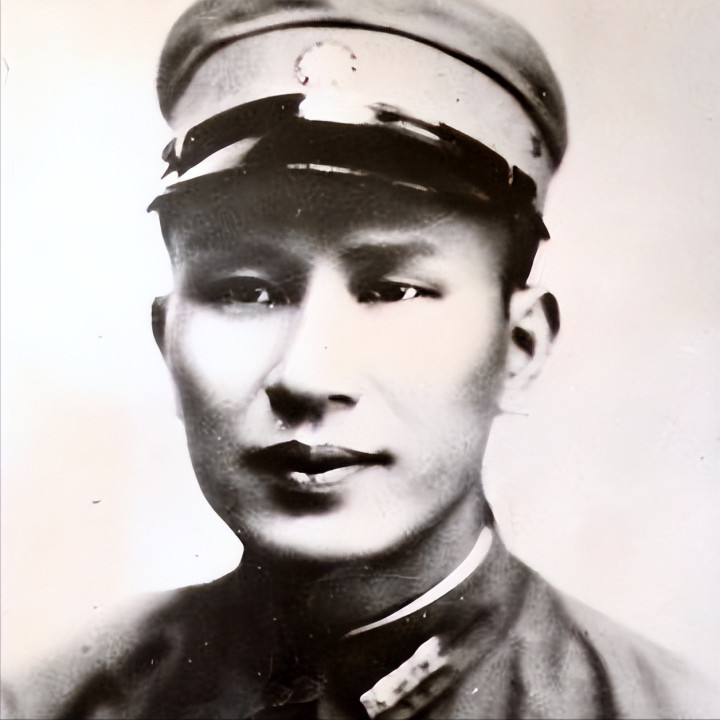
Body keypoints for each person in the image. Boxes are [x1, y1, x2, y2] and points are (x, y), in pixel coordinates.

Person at [2, 0, 717, 718]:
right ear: (167, 339)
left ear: (518, 346)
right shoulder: (51, 703)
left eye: (392, 290)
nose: (307, 377)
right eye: (245, 292)